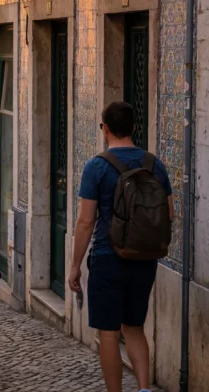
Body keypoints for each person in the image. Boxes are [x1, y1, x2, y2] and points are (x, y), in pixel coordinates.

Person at [69, 102, 173, 392]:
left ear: (105, 128)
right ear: (134, 128)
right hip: (144, 259)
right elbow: (169, 213)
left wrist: (75, 265)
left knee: (109, 333)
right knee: (135, 327)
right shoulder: (154, 164)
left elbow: (86, 221)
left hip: (108, 257)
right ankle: (143, 389)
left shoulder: (96, 166)